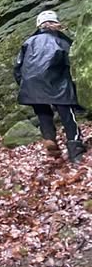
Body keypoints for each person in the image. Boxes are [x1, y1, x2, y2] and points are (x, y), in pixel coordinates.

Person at [14, 10, 85, 164]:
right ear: (56, 23)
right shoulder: (62, 41)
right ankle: (76, 152)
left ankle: (49, 138)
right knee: (68, 117)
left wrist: (25, 85)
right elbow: (73, 63)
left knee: (43, 113)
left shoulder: (28, 42)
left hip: (32, 85)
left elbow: (18, 68)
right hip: (58, 84)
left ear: (39, 25)